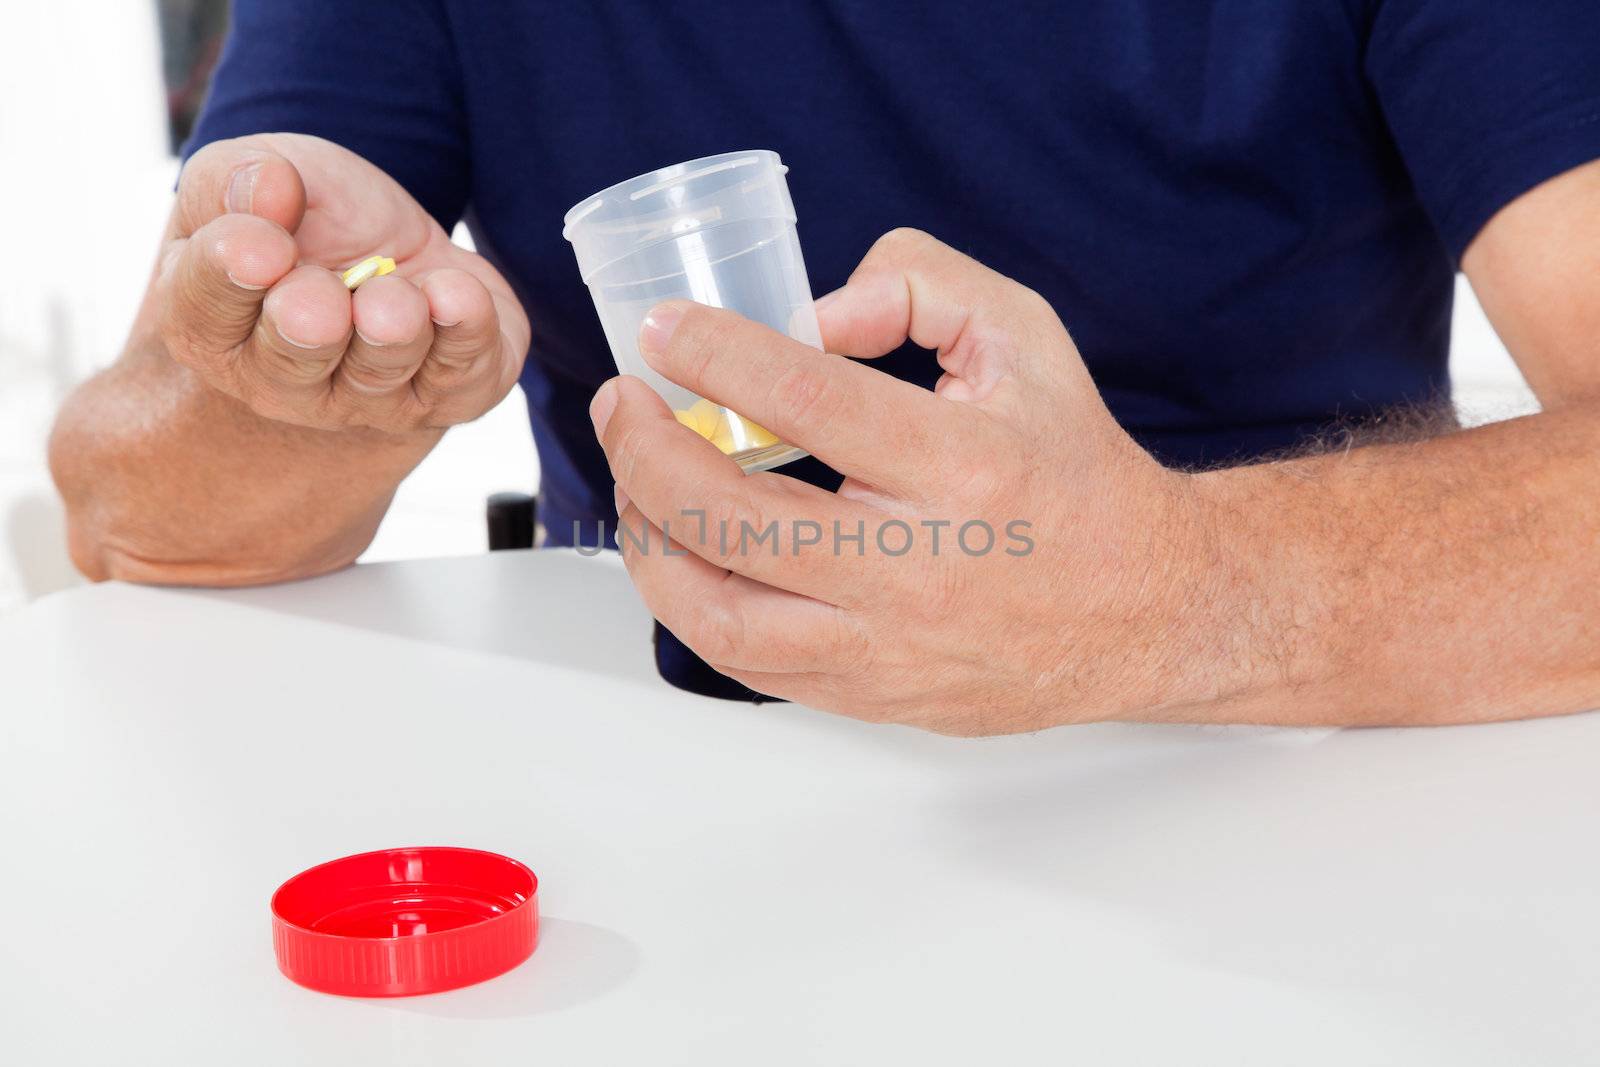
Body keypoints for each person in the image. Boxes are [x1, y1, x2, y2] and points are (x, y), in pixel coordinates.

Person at [49, 1, 1600, 732]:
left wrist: (1185, 589)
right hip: (697, 775)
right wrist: (280, 390)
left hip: (1298, 754)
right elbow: (139, 528)